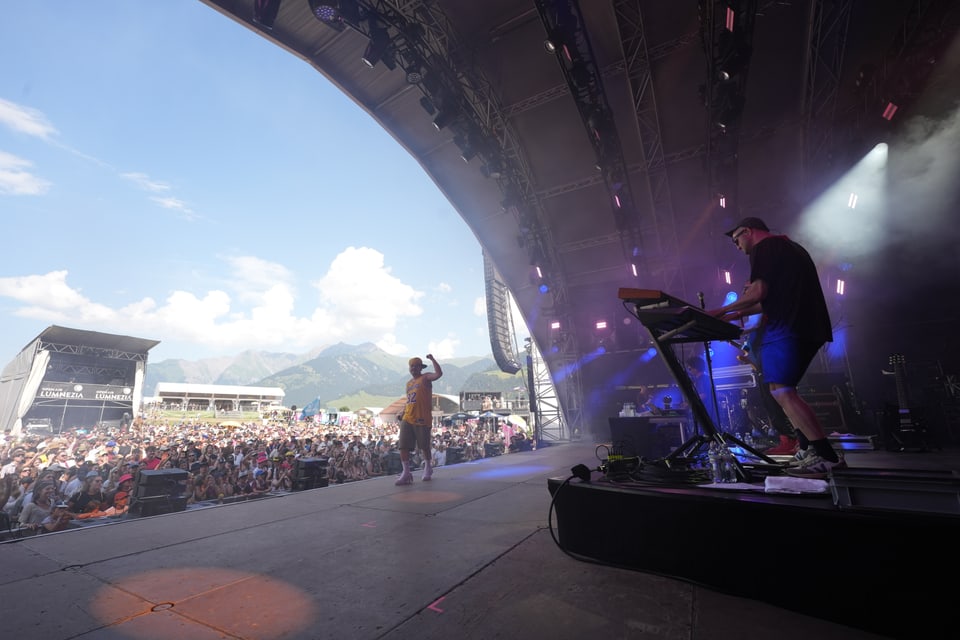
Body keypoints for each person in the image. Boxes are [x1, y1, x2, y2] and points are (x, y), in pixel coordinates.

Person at [710, 216, 843, 477]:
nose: (737, 247)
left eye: (737, 240)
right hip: (806, 324)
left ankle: (827, 456)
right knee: (780, 390)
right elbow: (770, 300)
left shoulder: (765, 248)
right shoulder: (791, 248)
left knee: (782, 391)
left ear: (747, 232)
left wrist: (719, 311)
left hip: (790, 327)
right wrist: (727, 316)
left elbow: (757, 294)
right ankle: (808, 448)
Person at [395, 355, 443, 485]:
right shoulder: (409, 383)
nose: (414, 368)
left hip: (422, 418)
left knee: (424, 446)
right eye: (412, 366)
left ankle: (428, 467)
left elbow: (439, 374)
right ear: (409, 368)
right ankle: (406, 472)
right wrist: (402, 412)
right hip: (408, 417)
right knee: (403, 446)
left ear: (420, 368)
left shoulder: (425, 378)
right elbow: (410, 401)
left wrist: (433, 359)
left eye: (416, 366)